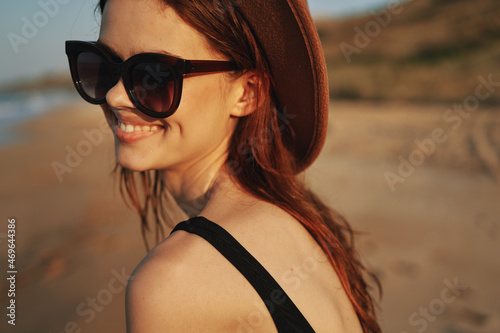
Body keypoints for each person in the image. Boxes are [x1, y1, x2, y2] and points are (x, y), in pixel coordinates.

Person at [65, 0, 381, 331]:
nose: (115, 97)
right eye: (101, 67)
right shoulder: (302, 221)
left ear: (246, 93)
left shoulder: (170, 283)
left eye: (154, 76)